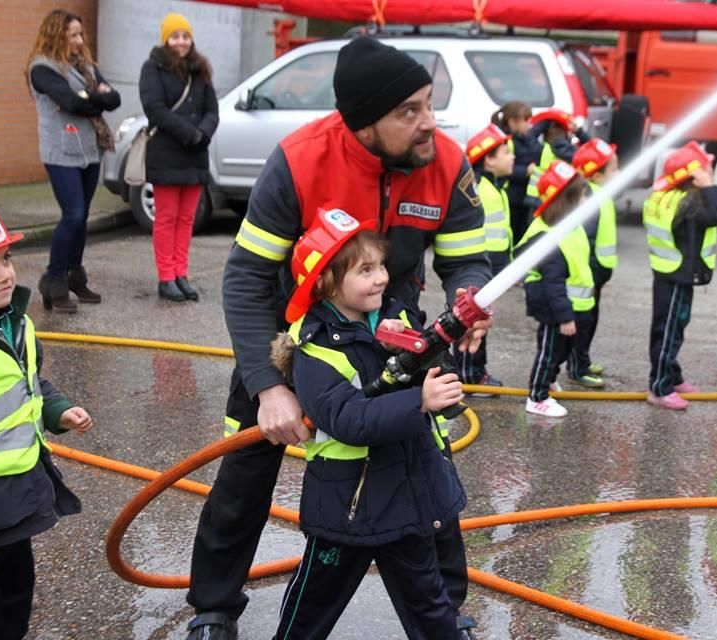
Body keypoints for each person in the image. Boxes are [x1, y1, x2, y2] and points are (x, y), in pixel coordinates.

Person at [184, 37, 491, 640]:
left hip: (391, 332)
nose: (429, 122)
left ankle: (445, 604)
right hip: (293, 335)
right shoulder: (300, 161)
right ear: (362, 123)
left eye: (429, 102)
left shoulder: (447, 163)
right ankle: (214, 607)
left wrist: (470, 300)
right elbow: (246, 280)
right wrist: (268, 384)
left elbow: (468, 262)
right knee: (245, 470)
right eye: (409, 111)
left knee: (424, 461)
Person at [269, 208, 466, 639]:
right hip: (348, 508)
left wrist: (422, 353)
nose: (380, 277)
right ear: (326, 283)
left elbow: (443, 372)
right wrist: (420, 400)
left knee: (432, 607)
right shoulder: (315, 350)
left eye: (380, 266)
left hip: (408, 497)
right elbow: (349, 419)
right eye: (365, 270)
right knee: (312, 606)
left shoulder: (395, 317)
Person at [0, 201, 92, 640]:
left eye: (5, 258)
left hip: (15, 499)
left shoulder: (14, 324)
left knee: (13, 603)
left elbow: (27, 382)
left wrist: (57, 408)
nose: (5, 273)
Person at [27, 9, 120, 313]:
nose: (80, 41)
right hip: (61, 153)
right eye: (73, 35)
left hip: (90, 151)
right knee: (73, 214)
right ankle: (53, 279)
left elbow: (114, 98)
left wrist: (89, 96)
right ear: (57, 36)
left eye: (81, 34)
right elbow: (70, 102)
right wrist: (95, 96)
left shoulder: (86, 67)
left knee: (82, 218)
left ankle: (74, 275)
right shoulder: (42, 68)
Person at [139, 13, 219, 302]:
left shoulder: (200, 69)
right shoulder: (152, 68)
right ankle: (166, 277)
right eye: (175, 36)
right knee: (166, 218)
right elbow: (154, 108)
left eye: (185, 36)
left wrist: (203, 133)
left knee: (187, 219)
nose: (181, 42)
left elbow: (213, 109)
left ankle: (182, 274)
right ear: (166, 39)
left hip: (195, 155)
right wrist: (190, 134)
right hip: (167, 152)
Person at [644, 142, 717, 410]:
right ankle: (660, 387)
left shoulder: (665, 196)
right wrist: (711, 186)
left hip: (668, 272)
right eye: (706, 167)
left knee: (670, 329)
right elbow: (716, 215)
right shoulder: (689, 203)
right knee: (669, 333)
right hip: (677, 274)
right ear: (693, 176)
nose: (710, 170)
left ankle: (673, 376)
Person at [515, 160, 594, 418]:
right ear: (566, 201)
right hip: (555, 308)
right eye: (581, 195)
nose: (586, 198)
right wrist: (565, 316)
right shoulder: (549, 237)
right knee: (549, 351)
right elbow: (553, 282)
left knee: (562, 350)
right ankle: (537, 396)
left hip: (568, 306)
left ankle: (548, 381)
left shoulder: (569, 226)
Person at [455, 123, 515, 392]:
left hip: (492, 265)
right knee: (473, 320)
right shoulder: (481, 190)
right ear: (488, 159)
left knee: (481, 320)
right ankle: (469, 373)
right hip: (482, 266)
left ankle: (475, 370)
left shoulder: (495, 188)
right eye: (506, 152)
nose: (512, 157)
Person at [567, 138, 620, 388]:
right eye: (613, 169)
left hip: (597, 272)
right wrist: (588, 272)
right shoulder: (589, 197)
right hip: (590, 272)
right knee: (583, 321)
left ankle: (583, 359)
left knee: (590, 319)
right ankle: (577, 367)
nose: (618, 173)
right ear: (596, 174)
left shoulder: (599, 192)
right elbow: (584, 239)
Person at [491, 101, 540, 244]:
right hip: (512, 196)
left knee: (521, 229)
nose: (529, 124)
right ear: (512, 122)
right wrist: (525, 171)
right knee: (513, 230)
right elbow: (503, 170)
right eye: (525, 120)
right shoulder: (507, 142)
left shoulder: (525, 138)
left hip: (523, 197)